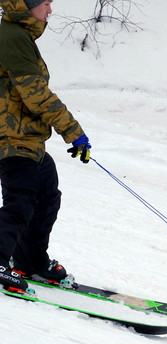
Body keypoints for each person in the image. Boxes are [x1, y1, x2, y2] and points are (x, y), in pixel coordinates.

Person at [0, 0, 92, 292]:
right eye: (45, 3)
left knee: (46, 196)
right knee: (21, 201)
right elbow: (35, 92)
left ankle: (29, 260)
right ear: (26, 5)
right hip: (11, 137)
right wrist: (72, 130)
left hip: (26, 137)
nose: (50, 10)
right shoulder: (12, 37)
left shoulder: (20, 34)